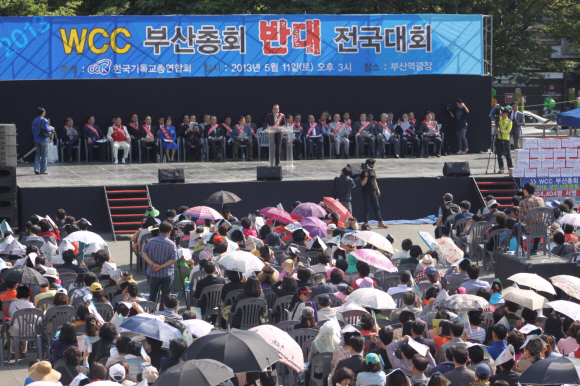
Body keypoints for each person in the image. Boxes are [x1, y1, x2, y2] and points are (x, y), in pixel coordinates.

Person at [142, 221, 177, 310]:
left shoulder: (151, 241)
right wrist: (161, 267)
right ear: (169, 232)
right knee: (165, 297)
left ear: (159, 230)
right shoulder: (172, 244)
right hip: (167, 274)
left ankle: (152, 312)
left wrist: (153, 264)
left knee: (152, 295)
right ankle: (162, 315)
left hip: (153, 273)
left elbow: (144, 254)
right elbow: (173, 259)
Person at [9, 286, 35, 359]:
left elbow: (11, 315)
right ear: (29, 295)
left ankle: (13, 352)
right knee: (26, 327)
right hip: (29, 331)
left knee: (13, 329)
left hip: (15, 331)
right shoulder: (31, 305)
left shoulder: (13, 304)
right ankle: (24, 351)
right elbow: (34, 319)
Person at [360, 158, 387, 228]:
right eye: (374, 164)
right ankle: (366, 223)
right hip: (366, 193)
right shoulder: (363, 173)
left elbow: (375, 181)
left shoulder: (373, 171)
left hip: (373, 192)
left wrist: (378, 190)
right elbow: (363, 183)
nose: (375, 165)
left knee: (377, 207)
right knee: (366, 208)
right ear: (370, 164)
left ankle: (380, 222)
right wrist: (366, 176)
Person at [32, 107, 54, 175]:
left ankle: (36, 169)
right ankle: (43, 170)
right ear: (43, 113)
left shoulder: (34, 121)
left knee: (38, 154)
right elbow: (47, 129)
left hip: (36, 140)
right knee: (44, 155)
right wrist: (51, 128)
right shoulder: (44, 120)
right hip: (43, 139)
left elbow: (33, 130)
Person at [496, 109, 513, 174]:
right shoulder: (499, 119)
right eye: (502, 113)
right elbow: (491, 115)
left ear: (507, 114)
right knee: (499, 154)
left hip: (506, 139)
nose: (503, 115)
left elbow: (507, 131)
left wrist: (500, 131)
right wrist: (496, 108)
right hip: (499, 138)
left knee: (508, 154)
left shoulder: (509, 121)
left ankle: (510, 168)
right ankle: (501, 168)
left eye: (504, 114)